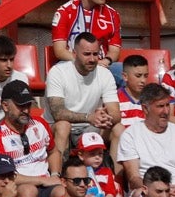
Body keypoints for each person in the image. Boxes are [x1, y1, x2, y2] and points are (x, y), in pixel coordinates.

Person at [44, 31, 119, 160]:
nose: (92, 59)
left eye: (95, 54)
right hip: (57, 128)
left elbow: (116, 113)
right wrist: (89, 117)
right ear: (74, 53)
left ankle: (113, 178)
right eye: (87, 54)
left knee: (118, 128)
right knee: (63, 126)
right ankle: (59, 175)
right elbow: (58, 113)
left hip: (90, 127)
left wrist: (106, 117)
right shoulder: (58, 72)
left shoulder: (105, 74)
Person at [115, 82, 175, 191]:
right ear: (145, 109)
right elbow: (134, 177)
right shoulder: (130, 135)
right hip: (146, 194)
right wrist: (156, 192)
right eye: (160, 106)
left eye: (167, 105)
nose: (166, 111)